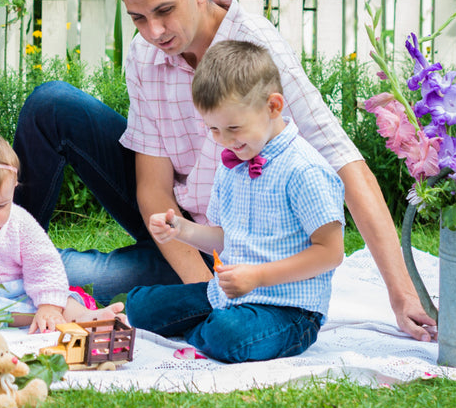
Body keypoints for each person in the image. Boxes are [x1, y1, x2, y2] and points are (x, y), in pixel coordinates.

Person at [13, 0, 436, 342]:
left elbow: (344, 161)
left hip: (233, 248)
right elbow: (152, 186)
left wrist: (402, 295)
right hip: (176, 228)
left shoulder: (257, 46)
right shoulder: (145, 52)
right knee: (51, 103)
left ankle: (17, 269)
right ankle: (4, 243)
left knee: (67, 274)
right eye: (139, 18)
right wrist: (204, 292)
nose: (154, 31)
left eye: (164, 11)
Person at [127, 41, 344, 362]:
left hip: (289, 309)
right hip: (230, 295)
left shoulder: (305, 170)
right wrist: (180, 230)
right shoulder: (234, 161)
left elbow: (331, 253)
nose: (224, 141)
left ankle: (212, 331)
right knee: (140, 307)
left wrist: (257, 277)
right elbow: (225, 237)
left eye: (233, 128)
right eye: (213, 129)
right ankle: (213, 326)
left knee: (227, 335)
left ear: (273, 107)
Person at [0, 131, 123, 333]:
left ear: (13, 190)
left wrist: (48, 305)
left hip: (18, 289)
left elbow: (44, 263)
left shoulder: (20, 223)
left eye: (1, 205)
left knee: (61, 299)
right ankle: (40, 319)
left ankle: (87, 318)